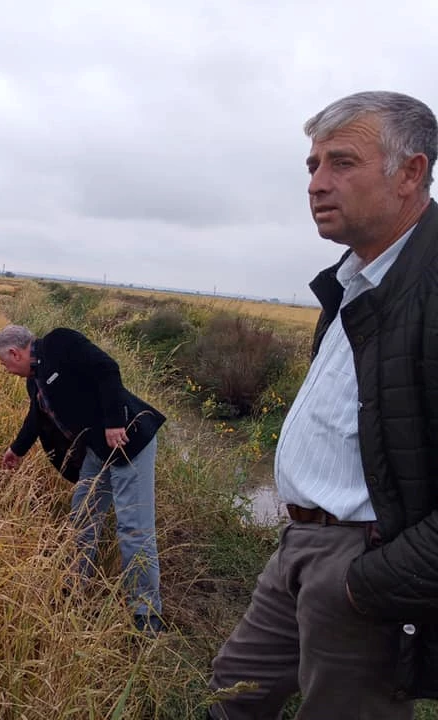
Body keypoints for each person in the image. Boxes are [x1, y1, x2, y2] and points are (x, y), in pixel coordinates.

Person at [208, 91, 438, 719]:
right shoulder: (352, 280)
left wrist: (367, 584)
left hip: (365, 562)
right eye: (312, 166)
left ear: (410, 172)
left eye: (341, 163)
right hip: (298, 545)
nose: (317, 183)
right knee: (233, 692)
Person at [0, 324, 166, 632]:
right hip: (97, 452)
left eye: (4, 363)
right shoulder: (35, 384)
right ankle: (73, 586)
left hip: (128, 442)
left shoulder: (60, 342)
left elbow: (107, 368)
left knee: (133, 528)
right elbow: (36, 417)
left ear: (14, 353)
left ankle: (146, 616)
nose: (6, 370)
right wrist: (16, 450)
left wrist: (114, 422)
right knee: (82, 517)